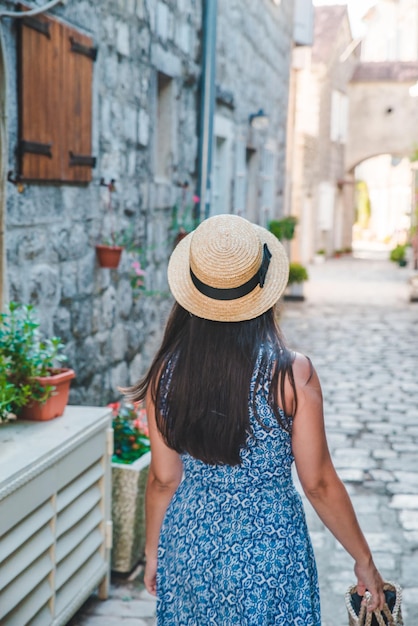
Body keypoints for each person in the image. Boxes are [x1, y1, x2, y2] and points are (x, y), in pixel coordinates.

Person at [126, 214, 384, 625]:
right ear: (262, 292)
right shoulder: (292, 374)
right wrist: (363, 560)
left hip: (190, 545)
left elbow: (163, 479)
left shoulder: (166, 373)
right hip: (269, 551)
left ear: (191, 294)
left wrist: (153, 551)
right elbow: (317, 482)